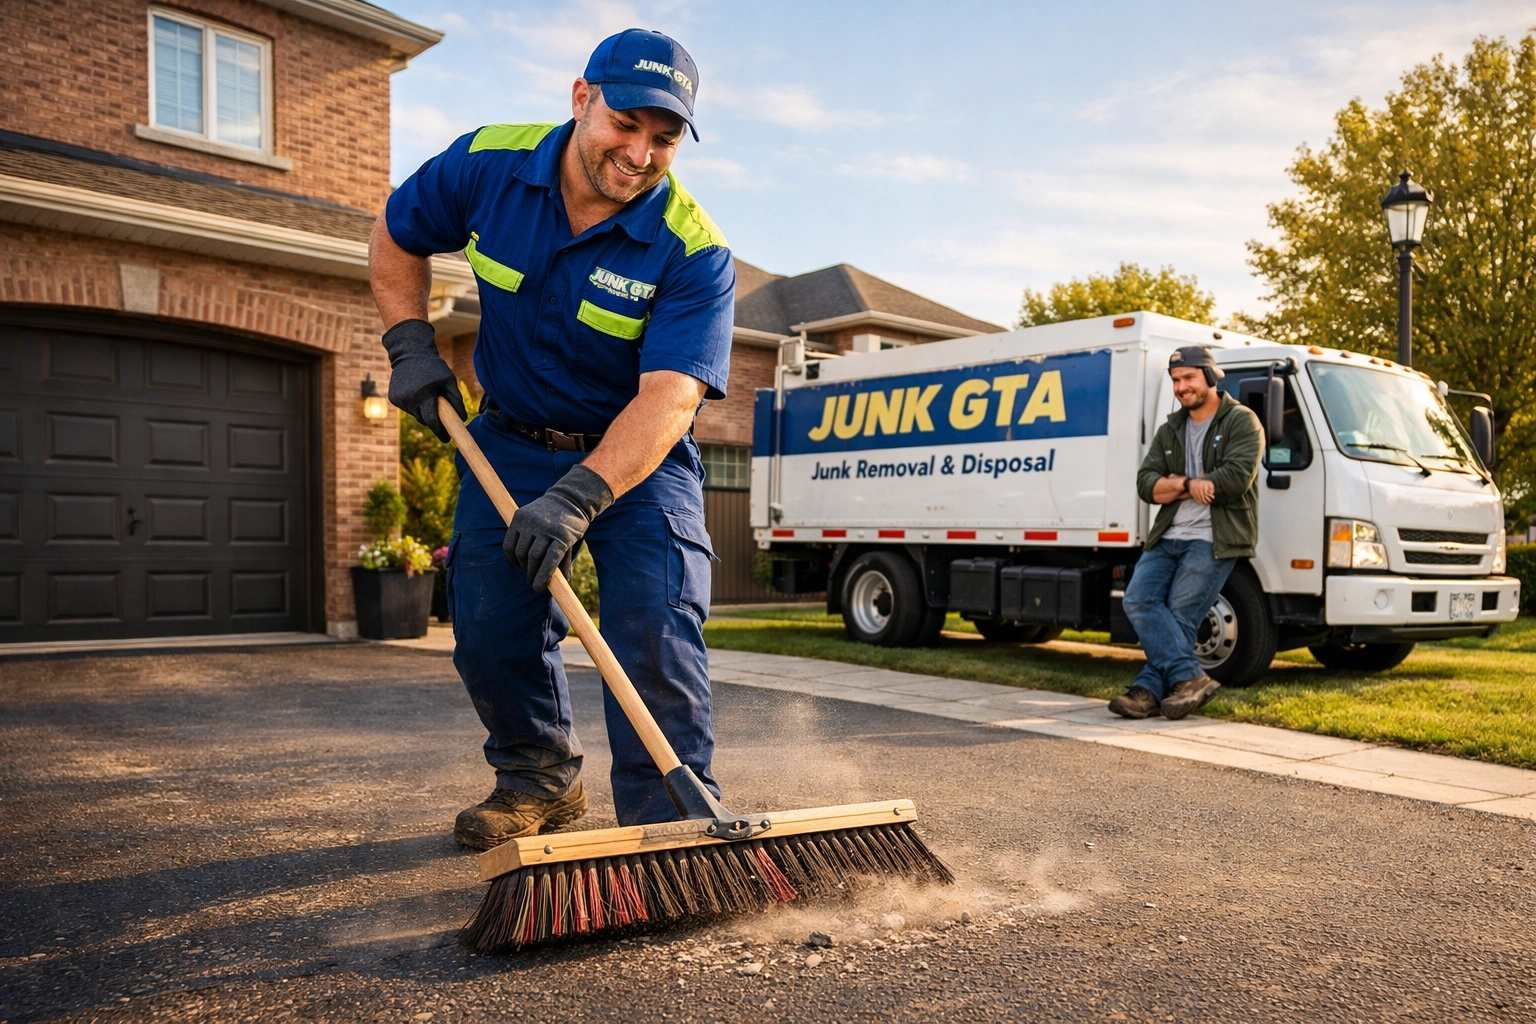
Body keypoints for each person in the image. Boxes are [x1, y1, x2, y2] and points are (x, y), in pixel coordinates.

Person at [367, 29, 735, 848]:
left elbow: (671, 396)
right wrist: (410, 344)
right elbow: (396, 233)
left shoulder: (693, 250)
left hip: (637, 462)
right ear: (581, 99)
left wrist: (580, 494)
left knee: (654, 629)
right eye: (627, 123)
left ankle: (670, 828)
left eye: (665, 136)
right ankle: (537, 781)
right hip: (509, 438)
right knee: (492, 629)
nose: (640, 152)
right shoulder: (487, 165)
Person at [1112, 346, 1262, 721]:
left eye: (1189, 378)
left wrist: (1174, 483)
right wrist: (1189, 483)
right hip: (1168, 535)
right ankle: (1190, 677)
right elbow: (1147, 484)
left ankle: (1147, 691)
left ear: (1211, 377)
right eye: (1176, 380)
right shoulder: (1171, 430)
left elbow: (1234, 480)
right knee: (1137, 600)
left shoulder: (1242, 422)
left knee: (1179, 615)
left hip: (1215, 537)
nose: (1181, 387)